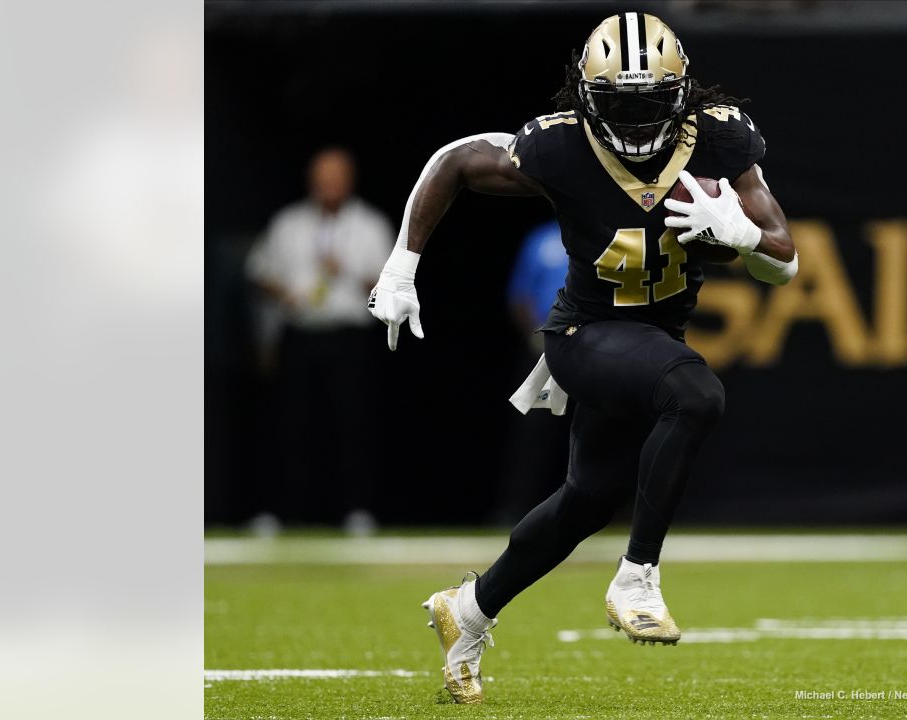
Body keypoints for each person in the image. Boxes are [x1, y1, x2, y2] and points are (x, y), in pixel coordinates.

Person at [368, 13, 797, 704]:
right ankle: (638, 577)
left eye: (647, 103)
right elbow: (453, 160)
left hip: (652, 338)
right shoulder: (561, 148)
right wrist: (400, 267)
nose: (632, 121)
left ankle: (468, 611)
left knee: (585, 501)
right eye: (618, 105)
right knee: (696, 396)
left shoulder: (718, 137)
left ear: (682, 95)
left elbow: (786, 262)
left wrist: (744, 233)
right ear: (587, 99)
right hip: (583, 334)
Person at [247, 147, 394, 532]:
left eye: (336, 177)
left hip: (349, 336)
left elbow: (388, 286)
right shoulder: (288, 224)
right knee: (289, 425)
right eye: (322, 177)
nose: (329, 185)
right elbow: (260, 273)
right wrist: (282, 293)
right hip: (300, 333)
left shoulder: (370, 225)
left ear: (349, 180)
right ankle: (279, 511)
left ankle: (357, 509)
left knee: (352, 425)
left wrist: (345, 269)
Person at [497, 219, 573, 523]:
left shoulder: (601, 230)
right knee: (535, 433)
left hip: (592, 346)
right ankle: (519, 507)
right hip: (545, 348)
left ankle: (591, 510)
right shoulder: (540, 239)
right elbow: (520, 295)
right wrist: (536, 335)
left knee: (590, 430)